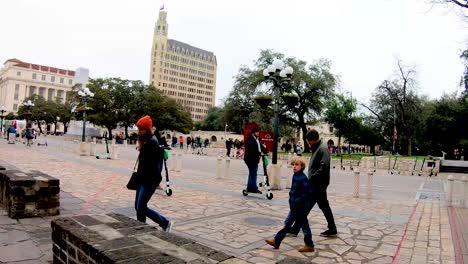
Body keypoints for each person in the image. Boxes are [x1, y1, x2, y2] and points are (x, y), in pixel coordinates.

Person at [289, 129, 337, 237]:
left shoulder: (323, 149)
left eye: (309, 141)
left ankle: (296, 228)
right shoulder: (317, 148)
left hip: (318, 184)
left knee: (310, 206)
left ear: (314, 140)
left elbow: (323, 167)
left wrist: (311, 179)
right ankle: (332, 228)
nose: (308, 144)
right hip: (316, 183)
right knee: (321, 205)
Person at [265, 157, 315, 252]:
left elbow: (308, 192)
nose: (294, 167)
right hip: (294, 207)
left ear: (302, 166)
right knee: (288, 225)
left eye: (297, 165)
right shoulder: (295, 175)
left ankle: (309, 245)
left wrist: (297, 200)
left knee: (304, 226)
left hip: (300, 207)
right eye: (293, 165)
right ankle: (277, 241)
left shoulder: (302, 178)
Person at [133, 115, 173, 232]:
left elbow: (156, 166)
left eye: (142, 129)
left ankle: (165, 223)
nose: (140, 132)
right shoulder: (145, 142)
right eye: (139, 129)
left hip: (149, 181)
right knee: (138, 206)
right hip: (142, 179)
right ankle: (142, 227)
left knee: (141, 206)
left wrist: (152, 181)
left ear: (148, 129)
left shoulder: (152, 143)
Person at [243, 127, 266, 193]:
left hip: (255, 159)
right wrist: (259, 153)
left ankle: (249, 188)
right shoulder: (250, 139)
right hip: (250, 159)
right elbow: (251, 149)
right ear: (253, 133)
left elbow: (260, 146)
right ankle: (253, 188)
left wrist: (266, 151)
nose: (258, 133)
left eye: (258, 132)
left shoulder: (257, 139)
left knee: (252, 173)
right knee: (253, 173)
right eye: (257, 132)